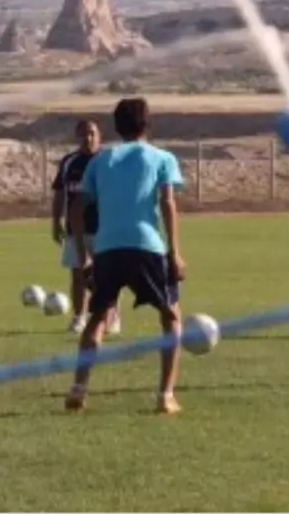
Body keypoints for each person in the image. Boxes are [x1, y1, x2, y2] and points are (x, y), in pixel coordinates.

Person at [65, 97, 186, 414]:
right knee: (171, 318)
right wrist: (175, 252)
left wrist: (83, 255)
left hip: (107, 248)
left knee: (98, 318)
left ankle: (79, 388)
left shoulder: (100, 162)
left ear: (116, 128)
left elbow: (77, 209)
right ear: (148, 124)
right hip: (147, 246)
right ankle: (165, 395)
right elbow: (168, 204)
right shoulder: (162, 158)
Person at [50, 118, 121, 336]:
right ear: (77, 137)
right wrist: (56, 221)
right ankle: (79, 318)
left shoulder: (109, 161)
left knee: (109, 276)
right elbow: (60, 193)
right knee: (78, 275)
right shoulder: (69, 162)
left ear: (99, 136)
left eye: (92, 133)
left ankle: (112, 316)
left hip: (105, 228)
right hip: (76, 229)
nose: (87, 138)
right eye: (83, 134)